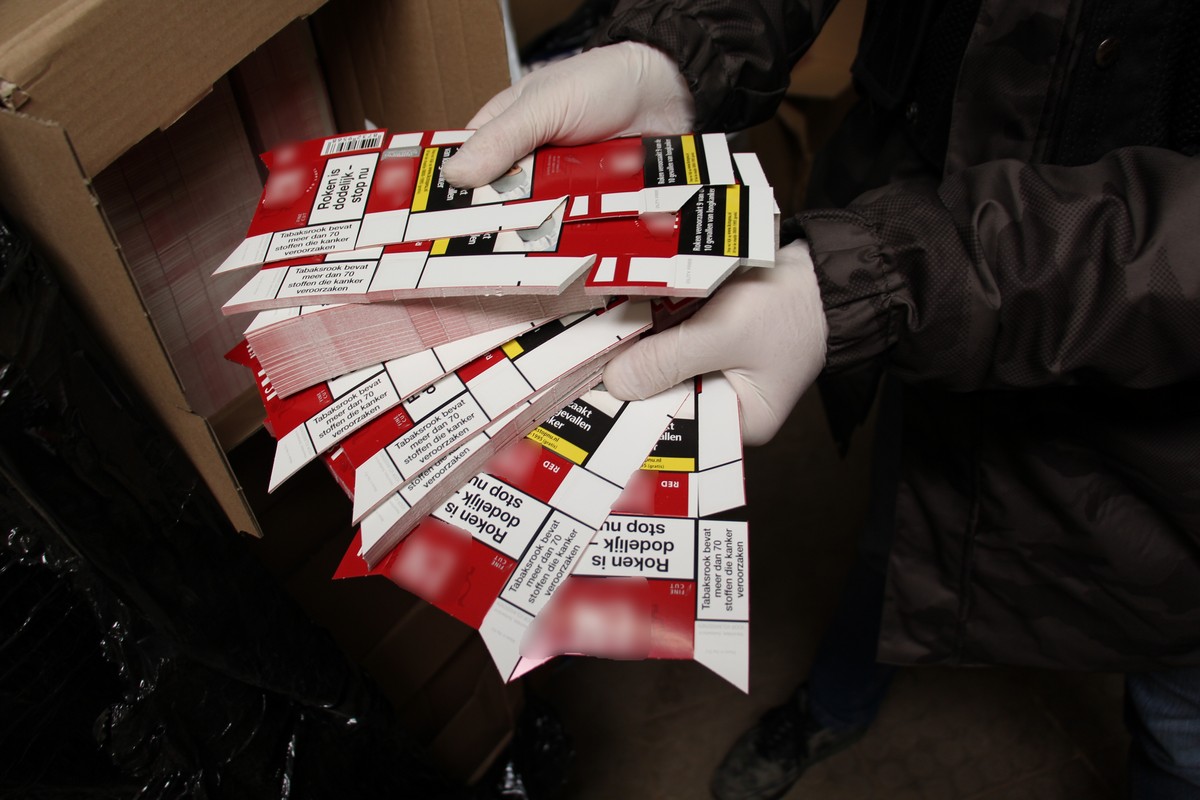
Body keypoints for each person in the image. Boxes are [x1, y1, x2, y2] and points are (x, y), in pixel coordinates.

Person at [442, 1, 1200, 797]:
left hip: (1166, 430)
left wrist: (880, 281)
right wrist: (676, 50)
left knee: (1181, 721)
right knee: (909, 535)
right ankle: (834, 704)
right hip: (928, 270)